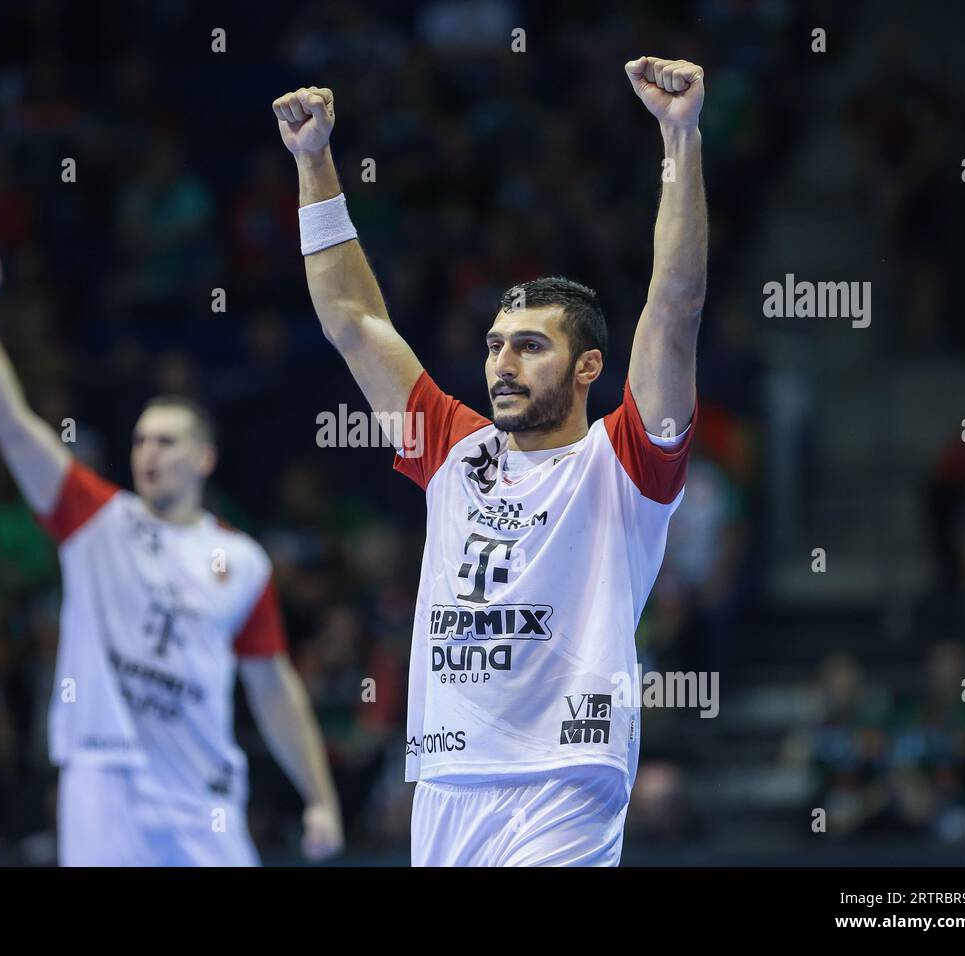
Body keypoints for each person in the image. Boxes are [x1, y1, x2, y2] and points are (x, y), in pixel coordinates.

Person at [273, 55, 706, 866]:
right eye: (495, 345)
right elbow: (353, 320)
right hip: (446, 779)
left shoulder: (627, 463)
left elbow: (674, 308)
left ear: (587, 369)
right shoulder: (452, 447)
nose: (503, 363)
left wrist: (679, 139)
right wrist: (314, 163)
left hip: (567, 775)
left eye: (531, 347)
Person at [0, 247, 342, 866]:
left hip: (201, 790)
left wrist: (320, 797)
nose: (148, 452)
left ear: (204, 458)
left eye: (167, 441)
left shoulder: (241, 561)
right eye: (140, 440)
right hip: (104, 775)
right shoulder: (95, 521)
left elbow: (272, 686)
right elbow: (11, 423)